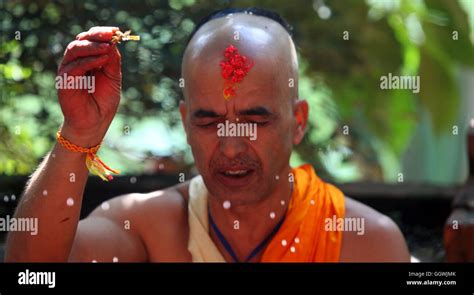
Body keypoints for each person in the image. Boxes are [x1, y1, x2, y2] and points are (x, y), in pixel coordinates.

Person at [5, 7, 410, 262]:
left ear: (298, 121)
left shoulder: (365, 244)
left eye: (255, 120)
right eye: (208, 122)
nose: (231, 145)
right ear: (185, 122)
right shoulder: (145, 228)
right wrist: (79, 132)